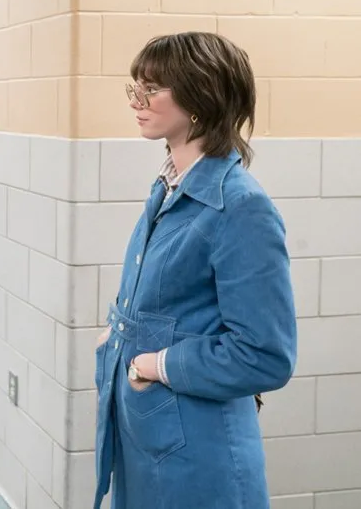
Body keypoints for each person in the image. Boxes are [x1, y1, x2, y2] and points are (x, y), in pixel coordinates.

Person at [93, 31, 297, 509]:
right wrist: (118, 339)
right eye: (136, 87)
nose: (137, 101)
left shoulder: (241, 206)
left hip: (198, 451)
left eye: (151, 89)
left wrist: (151, 364)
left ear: (200, 97)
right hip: (152, 432)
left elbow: (264, 355)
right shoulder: (169, 185)